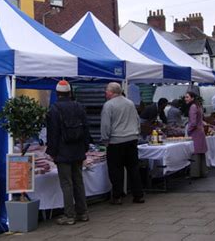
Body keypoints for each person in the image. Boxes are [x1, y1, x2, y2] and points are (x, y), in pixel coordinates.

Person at [46, 80, 91, 225]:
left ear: (57, 93)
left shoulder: (54, 109)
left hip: (62, 151)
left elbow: (52, 133)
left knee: (66, 184)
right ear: (70, 92)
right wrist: (85, 147)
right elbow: (86, 128)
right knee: (78, 181)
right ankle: (83, 213)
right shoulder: (79, 107)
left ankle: (69, 215)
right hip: (78, 150)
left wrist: (51, 152)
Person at [101, 82, 144, 205]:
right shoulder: (130, 103)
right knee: (133, 168)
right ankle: (138, 194)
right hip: (131, 139)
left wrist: (105, 140)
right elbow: (137, 120)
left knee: (115, 170)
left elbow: (105, 125)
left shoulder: (108, 105)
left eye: (107, 91)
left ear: (112, 92)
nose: (105, 93)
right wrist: (136, 133)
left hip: (116, 141)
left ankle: (117, 196)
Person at [185, 91, 208, 178]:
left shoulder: (193, 107)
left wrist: (189, 130)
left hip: (195, 132)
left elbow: (193, 122)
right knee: (201, 153)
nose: (185, 99)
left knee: (195, 153)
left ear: (192, 98)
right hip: (200, 131)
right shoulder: (198, 106)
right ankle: (203, 171)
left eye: (187, 97)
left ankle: (195, 174)